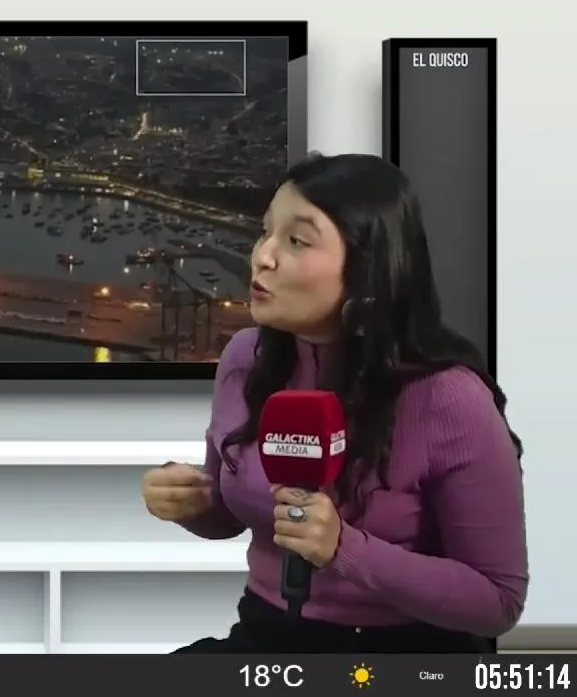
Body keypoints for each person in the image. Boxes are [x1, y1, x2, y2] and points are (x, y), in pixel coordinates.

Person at [141, 153, 527, 654]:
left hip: (402, 655)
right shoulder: (245, 360)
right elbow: (232, 517)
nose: (263, 256)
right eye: (265, 232)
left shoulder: (449, 397)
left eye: (296, 241)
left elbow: (497, 601)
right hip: (264, 635)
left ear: (368, 269)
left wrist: (344, 548)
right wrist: (194, 503)